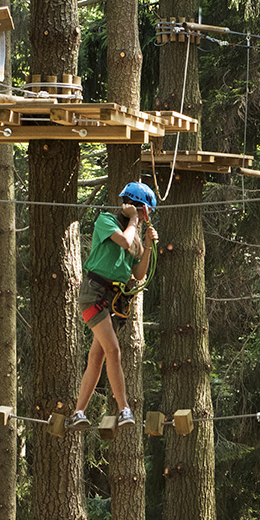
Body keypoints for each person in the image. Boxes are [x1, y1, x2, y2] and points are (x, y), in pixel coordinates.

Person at [68, 182, 156, 430]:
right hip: (93, 294)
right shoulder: (105, 220)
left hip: (114, 299)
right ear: (132, 207)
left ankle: (78, 412)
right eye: (143, 211)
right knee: (114, 351)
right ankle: (124, 409)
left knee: (96, 357)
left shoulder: (134, 232)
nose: (145, 217)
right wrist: (134, 222)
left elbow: (139, 274)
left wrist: (147, 245)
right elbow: (125, 243)